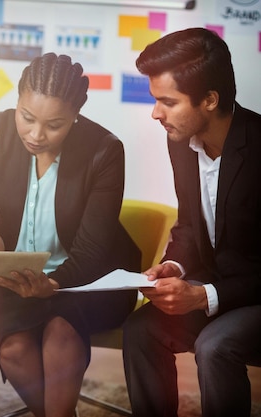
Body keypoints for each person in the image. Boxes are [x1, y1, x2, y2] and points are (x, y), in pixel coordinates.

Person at [0, 52, 141, 417]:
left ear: (76, 115)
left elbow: (92, 252)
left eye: (54, 124)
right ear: (18, 101)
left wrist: (52, 284)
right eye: (27, 118)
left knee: (61, 334)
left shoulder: (104, 151)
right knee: (13, 350)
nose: (36, 135)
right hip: (14, 278)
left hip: (85, 281)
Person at [123, 27, 261, 417]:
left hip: (254, 295)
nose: (155, 113)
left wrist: (202, 296)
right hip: (220, 288)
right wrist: (175, 264)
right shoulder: (180, 140)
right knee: (141, 330)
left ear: (210, 100)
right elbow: (188, 225)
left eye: (168, 101)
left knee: (215, 346)